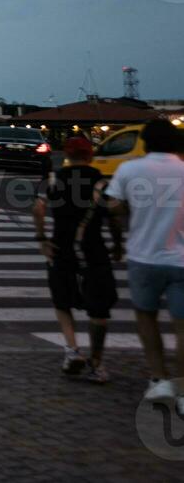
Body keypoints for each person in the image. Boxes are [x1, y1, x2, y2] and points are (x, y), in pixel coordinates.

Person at [106, 119, 184, 413]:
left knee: (146, 317)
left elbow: (112, 206)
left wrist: (127, 218)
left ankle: (158, 378)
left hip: (144, 256)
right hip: (181, 259)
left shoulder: (130, 169)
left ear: (145, 142)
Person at [32, 136, 122, 382]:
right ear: (90, 155)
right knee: (99, 307)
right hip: (93, 248)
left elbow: (38, 208)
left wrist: (41, 238)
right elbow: (115, 215)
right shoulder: (102, 183)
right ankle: (97, 363)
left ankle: (72, 351)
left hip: (61, 246)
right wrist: (117, 244)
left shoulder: (53, 178)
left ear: (66, 156)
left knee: (62, 301)